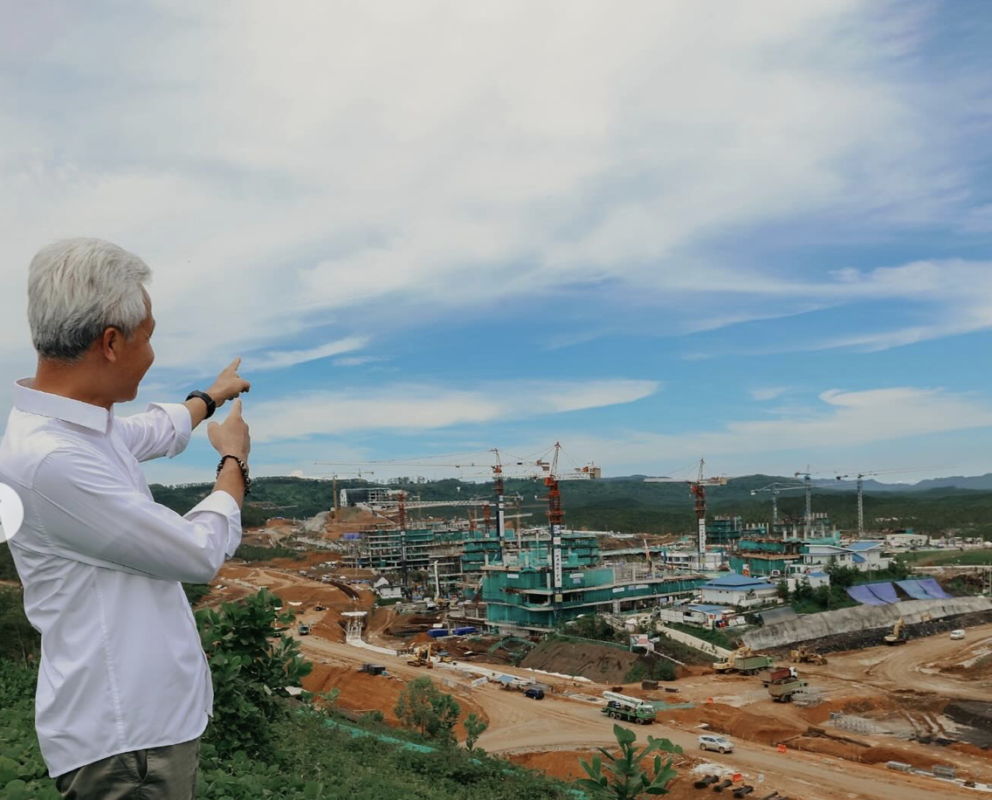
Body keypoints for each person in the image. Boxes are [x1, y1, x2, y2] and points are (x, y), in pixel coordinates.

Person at [0, 238, 252, 799]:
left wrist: (209, 398)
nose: (153, 350)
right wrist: (233, 460)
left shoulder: (77, 426)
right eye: (149, 335)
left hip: (139, 731)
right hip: (127, 742)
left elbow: (147, 430)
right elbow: (197, 553)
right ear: (111, 342)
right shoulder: (52, 460)